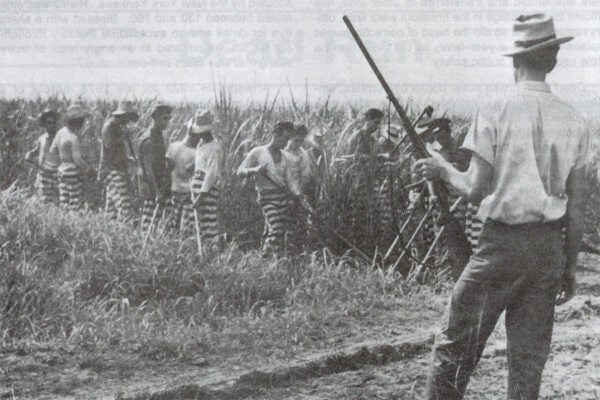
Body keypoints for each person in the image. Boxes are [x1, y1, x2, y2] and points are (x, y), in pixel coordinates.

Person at [415, 14, 589, 400]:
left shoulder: (495, 110)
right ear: (554, 58)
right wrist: (570, 266)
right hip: (548, 250)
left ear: (515, 61)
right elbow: (577, 210)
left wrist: (442, 169)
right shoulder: (576, 121)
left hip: (500, 248)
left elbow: (474, 190)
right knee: (528, 361)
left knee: (455, 348)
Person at [237, 121, 298, 255]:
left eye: (289, 139)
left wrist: (297, 194)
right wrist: (254, 170)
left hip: (282, 196)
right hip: (266, 198)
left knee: (277, 231)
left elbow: (289, 180)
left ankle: (267, 258)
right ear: (275, 135)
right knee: (276, 228)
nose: (286, 143)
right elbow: (240, 171)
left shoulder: (284, 157)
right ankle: (272, 258)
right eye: (285, 138)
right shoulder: (258, 152)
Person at [98, 101, 139, 222]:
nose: (129, 121)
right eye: (128, 117)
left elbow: (117, 151)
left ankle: (110, 229)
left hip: (118, 168)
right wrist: (124, 134)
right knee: (124, 204)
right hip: (112, 170)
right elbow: (110, 146)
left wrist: (127, 159)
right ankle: (124, 230)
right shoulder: (109, 126)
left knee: (111, 207)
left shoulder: (117, 126)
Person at [134, 104, 173, 233]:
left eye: (168, 119)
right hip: (151, 184)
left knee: (156, 218)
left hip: (158, 181)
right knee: (149, 218)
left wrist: (167, 161)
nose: (167, 122)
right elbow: (148, 168)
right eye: (164, 119)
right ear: (155, 118)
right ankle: (143, 243)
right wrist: (157, 191)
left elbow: (158, 158)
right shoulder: (149, 139)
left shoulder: (157, 135)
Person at [165, 111, 204, 234]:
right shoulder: (197, 154)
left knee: (172, 227)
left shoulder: (173, 147)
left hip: (174, 192)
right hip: (188, 195)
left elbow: (168, 168)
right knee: (185, 229)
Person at [49, 104, 92, 211]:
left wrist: (63, 158)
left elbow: (52, 151)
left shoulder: (60, 132)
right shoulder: (73, 138)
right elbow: (77, 159)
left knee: (64, 199)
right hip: (72, 170)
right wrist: (88, 169)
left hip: (62, 169)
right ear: (77, 121)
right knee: (75, 200)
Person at [190, 110, 223, 246]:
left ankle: (213, 250)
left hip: (206, 189)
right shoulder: (201, 146)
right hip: (197, 184)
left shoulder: (214, 147)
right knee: (198, 222)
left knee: (209, 221)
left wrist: (201, 195)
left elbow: (211, 173)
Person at [284, 124, 317, 248]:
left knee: (295, 223)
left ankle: (295, 250)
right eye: (296, 140)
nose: (298, 143)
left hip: (296, 192)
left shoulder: (302, 154)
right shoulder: (281, 151)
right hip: (281, 191)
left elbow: (306, 175)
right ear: (289, 138)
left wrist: (298, 193)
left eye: (301, 141)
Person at [25, 109, 60, 204]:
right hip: (43, 173)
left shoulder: (59, 138)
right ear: (44, 124)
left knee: (56, 200)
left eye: (54, 122)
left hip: (55, 174)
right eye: (49, 123)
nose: (52, 125)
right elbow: (37, 150)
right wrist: (30, 154)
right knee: (43, 199)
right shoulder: (42, 138)